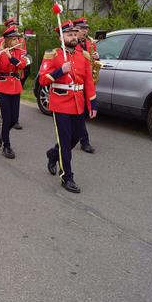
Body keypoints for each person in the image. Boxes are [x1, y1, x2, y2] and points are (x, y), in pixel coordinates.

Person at [38, 20, 97, 194]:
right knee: (65, 141)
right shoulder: (52, 54)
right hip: (61, 103)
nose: (73, 37)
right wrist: (59, 71)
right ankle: (67, 176)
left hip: (78, 103)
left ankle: (53, 154)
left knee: (76, 137)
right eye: (69, 34)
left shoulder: (84, 56)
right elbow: (42, 80)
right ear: (61, 37)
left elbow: (89, 82)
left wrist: (92, 104)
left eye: (74, 34)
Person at [0, 26, 28, 159]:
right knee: (6, 118)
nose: (17, 40)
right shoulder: (0, 51)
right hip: (2, 87)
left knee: (14, 119)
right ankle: (7, 146)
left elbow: (22, 65)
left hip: (15, 86)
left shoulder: (20, 52)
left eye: (17, 38)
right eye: (14, 39)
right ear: (8, 40)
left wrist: (10, 57)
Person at [73, 17, 98, 154]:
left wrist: (96, 57)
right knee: (80, 115)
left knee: (84, 114)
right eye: (82, 28)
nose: (85, 31)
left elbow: (93, 60)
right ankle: (84, 141)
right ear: (76, 30)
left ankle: (79, 136)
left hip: (87, 81)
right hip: (76, 82)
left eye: (86, 28)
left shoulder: (90, 43)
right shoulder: (71, 43)